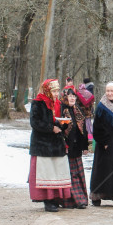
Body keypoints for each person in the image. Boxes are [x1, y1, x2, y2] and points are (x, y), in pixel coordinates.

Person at [29, 79, 72, 212]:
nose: (55, 94)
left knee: (57, 170)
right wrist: (50, 128)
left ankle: (57, 197)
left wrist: (62, 124)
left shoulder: (58, 104)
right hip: (43, 144)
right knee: (46, 172)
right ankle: (48, 200)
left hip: (56, 143)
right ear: (47, 90)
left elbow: (57, 120)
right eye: (53, 91)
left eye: (57, 91)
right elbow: (35, 122)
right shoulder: (38, 103)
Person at [59, 89, 90, 209]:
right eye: (69, 96)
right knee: (70, 175)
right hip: (67, 147)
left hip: (77, 147)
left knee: (78, 174)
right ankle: (71, 200)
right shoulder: (61, 109)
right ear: (65, 97)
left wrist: (85, 146)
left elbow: (83, 129)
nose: (72, 98)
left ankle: (81, 199)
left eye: (74, 96)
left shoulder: (78, 110)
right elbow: (60, 128)